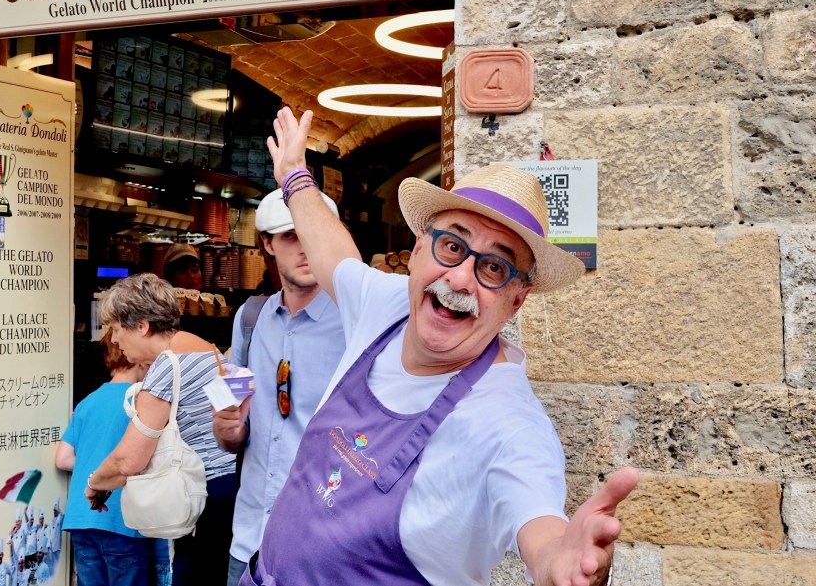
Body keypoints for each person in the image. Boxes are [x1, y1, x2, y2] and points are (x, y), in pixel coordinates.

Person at [237, 107, 640, 586]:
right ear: (419, 248)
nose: (461, 278)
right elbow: (333, 252)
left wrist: (556, 561)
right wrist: (295, 177)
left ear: (516, 301)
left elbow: (537, 520)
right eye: (453, 245)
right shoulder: (385, 305)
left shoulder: (509, 424)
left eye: (495, 268)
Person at [212, 189, 347, 586]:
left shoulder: (357, 324)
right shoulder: (250, 319)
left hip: (323, 546)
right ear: (268, 243)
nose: (305, 247)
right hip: (249, 541)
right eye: (291, 235)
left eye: (313, 232)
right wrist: (229, 428)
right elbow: (233, 434)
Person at [87, 273, 237, 586]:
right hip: (235, 490)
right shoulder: (207, 349)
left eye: (115, 329)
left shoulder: (168, 366)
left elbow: (130, 460)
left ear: (141, 326)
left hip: (205, 497)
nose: (113, 340)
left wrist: (96, 482)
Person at [55, 330, 169, 586]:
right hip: (121, 519)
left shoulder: (87, 402)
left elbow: (62, 459)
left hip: (81, 519)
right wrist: (114, 474)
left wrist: (95, 470)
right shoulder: (142, 401)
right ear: (141, 360)